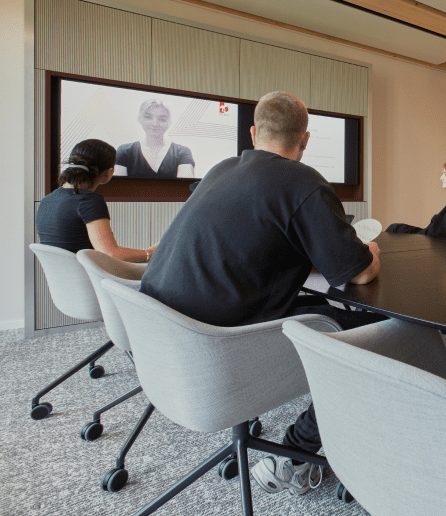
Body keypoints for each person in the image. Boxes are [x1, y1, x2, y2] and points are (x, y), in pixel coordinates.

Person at [139, 91, 382, 497]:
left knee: (321, 309)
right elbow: (358, 275)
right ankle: (295, 456)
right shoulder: (303, 181)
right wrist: (368, 251)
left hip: (165, 340)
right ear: (305, 140)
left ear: (253, 133)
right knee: (380, 333)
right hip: (221, 349)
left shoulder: (220, 170)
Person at [36, 139, 158, 262]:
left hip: (62, 280)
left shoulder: (47, 200)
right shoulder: (88, 201)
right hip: (91, 278)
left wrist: (148, 253)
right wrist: (150, 254)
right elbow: (110, 253)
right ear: (110, 172)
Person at [386, 161, 446, 237]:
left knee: (394, 229)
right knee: (396, 228)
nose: (441, 177)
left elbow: (435, 233)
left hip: (435, 243)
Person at [114, 99, 195, 178]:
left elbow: (185, 187)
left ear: (169, 123)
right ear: (140, 119)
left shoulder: (182, 152)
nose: (155, 124)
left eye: (162, 119)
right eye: (148, 117)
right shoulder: (124, 151)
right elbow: (117, 187)